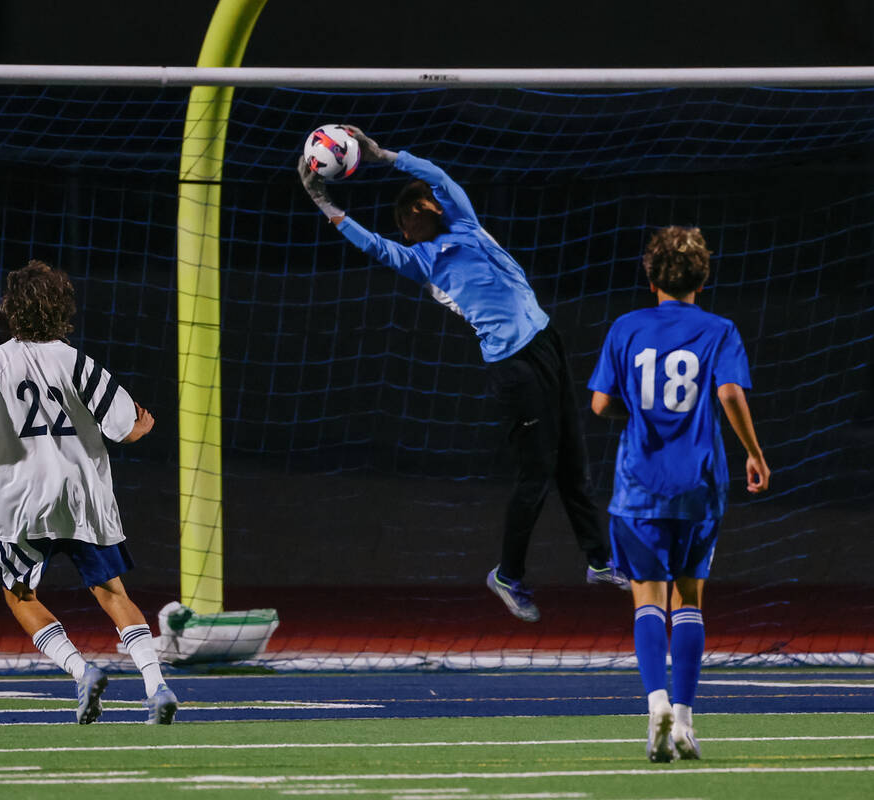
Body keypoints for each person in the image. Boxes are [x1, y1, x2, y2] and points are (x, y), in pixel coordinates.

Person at [297, 127, 628, 623]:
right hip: (512, 367)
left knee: (573, 463)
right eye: (416, 212)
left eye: (425, 206)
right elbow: (372, 245)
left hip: (546, 344)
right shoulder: (423, 262)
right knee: (536, 474)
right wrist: (324, 202)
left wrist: (387, 156)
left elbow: (439, 178)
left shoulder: (466, 225)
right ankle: (509, 575)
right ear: (410, 228)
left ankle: (599, 561)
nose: (425, 209)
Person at [0, 260, 178, 725]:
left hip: (23, 501)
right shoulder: (78, 362)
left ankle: (81, 671)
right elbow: (127, 427)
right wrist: (142, 429)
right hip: (83, 496)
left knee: (18, 594)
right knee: (112, 592)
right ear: (62, 310)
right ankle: (157, 687)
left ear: (10, 311)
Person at [588, 226, 770, 761]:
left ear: (652, 280)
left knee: (648, 596)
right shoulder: (719, 329)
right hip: (700, 483)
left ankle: (656, 708)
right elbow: (730, 392)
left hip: (640, 483)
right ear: (702, 278)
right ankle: (687, 723)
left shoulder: (626, 328)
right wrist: (753, 452)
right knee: (689, 598)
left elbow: (599, 405)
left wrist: (641, 412)